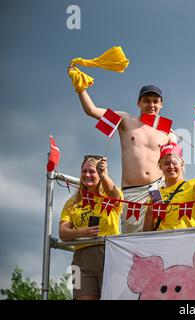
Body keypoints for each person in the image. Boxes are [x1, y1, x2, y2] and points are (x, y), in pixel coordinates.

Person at [67, 72, 176, 234]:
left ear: (161, 105)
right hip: (132, 193)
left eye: (155, 101)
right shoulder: (125, 120)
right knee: (132, 240)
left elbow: (175, 166)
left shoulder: (169, 133)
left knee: (162, 236)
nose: (151, 105)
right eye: (146, 100)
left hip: (159, 189)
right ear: (138, 103)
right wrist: (80, 88)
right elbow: (91, 110)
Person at [59, 156, 123, 300]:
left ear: (100, 174)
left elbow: (114, 194)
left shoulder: (110, 196)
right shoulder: (72, 203)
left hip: (109, 254)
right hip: (80, 260)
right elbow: (63, 233)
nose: (87, 175)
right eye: (84, 171)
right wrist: (83, 232)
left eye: (92, 172)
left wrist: (104, 175)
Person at [143, 143, 195, 231]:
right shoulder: (156, 195)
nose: (171, 166)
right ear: (161, 167)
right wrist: (149, 214)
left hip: (190, 241)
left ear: (181, 165)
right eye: (166, 163)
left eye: (174, 162)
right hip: (165, 242)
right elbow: (147, 233)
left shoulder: (193, 185)